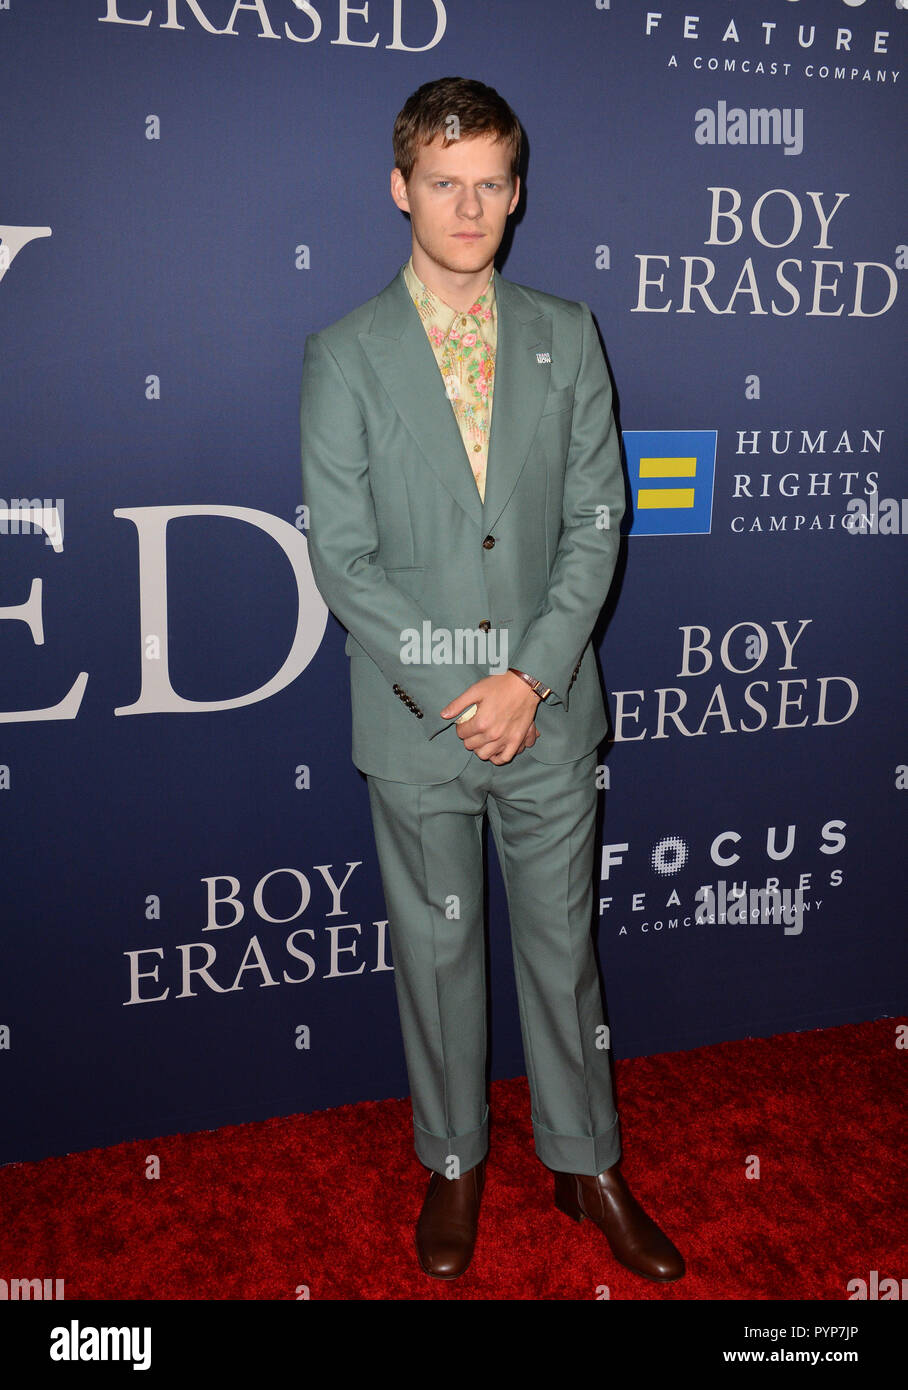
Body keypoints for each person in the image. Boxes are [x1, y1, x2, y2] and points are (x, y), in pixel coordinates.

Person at [299, 76, 684, 1284]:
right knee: (437, 950)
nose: (469, 208)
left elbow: (595, 519)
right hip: (418, 722)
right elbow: (343, 559)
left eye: (491, 185)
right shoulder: (343, 354)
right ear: (400, 188)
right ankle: (453, 1158)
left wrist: (525, 677)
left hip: (550, 707)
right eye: (444, 184)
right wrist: (461, 687)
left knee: (563, 946)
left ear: (516, 193)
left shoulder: (564, 332)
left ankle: (587, 1162)